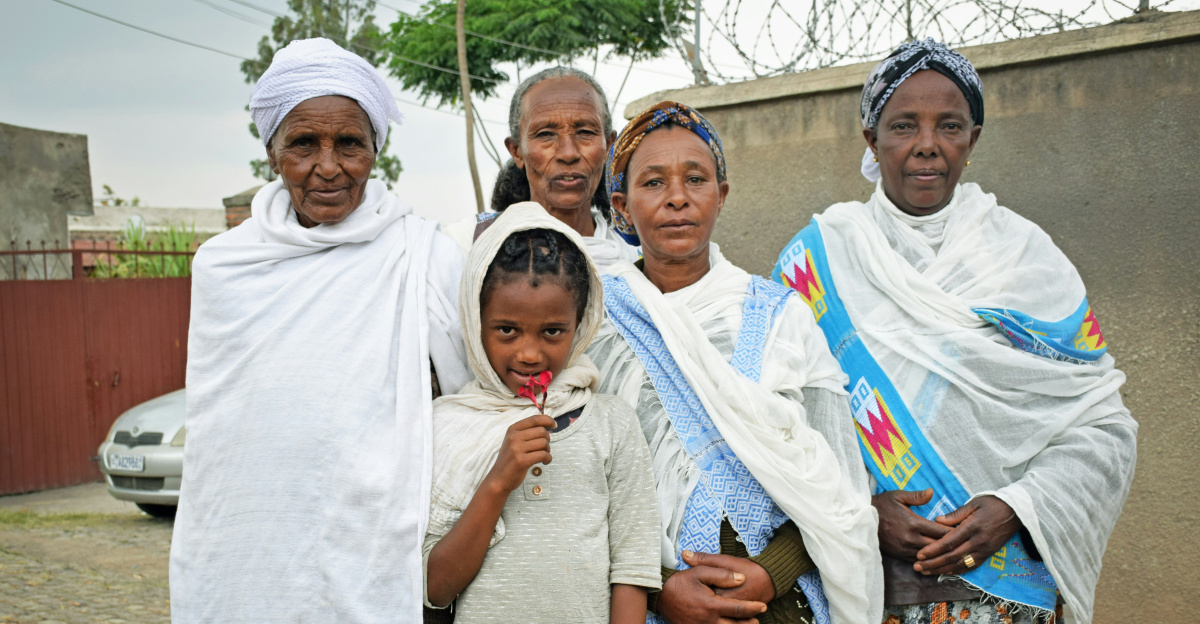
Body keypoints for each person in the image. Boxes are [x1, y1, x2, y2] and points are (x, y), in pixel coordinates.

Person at [771, 39, 1137, 624]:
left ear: (973, 139)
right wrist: (863, 509)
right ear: (872, 139)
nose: (926, 145)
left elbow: (1104, 428)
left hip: (1009, 595)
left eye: (949, 126)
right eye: (903, 126)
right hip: (866, 588)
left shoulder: (1026, 258)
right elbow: (776, 425)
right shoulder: (816, 263)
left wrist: (1017, 507)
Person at [170, 38, 470, 623]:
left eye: (350, 144)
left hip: (376, 541)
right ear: (272, 152)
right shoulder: (223, 265)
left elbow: (467, 400)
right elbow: (220, 438)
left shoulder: (423, 253)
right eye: (304, 143)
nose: (328, 166)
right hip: (248, 545)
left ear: (375, 151)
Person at [589, 101, 883, 624]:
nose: (677, 198)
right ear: (622, 206)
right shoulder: (595, 324)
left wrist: (771, 572)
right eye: (653, 183)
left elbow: (840, 483)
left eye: (695, 179)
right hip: (650, 604)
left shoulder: (781, 317)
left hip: (778, 602)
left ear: (720, 196)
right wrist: (661, 591)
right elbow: (580, 488)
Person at [424, 202, 661, 623]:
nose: (530, 353)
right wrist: (497, 482)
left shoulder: (612, 424)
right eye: (506, 330)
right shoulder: (445, 427)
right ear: (474, 324)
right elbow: (434, 587)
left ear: (581, 325)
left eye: (552, 331)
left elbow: (632, 571)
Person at [444, 67, 639, 271]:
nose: (568, 153)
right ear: (517, 151)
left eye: (585, 132)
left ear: (608, 146)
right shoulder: (469, 246)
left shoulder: (636, 253)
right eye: (546, 134)